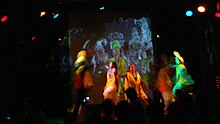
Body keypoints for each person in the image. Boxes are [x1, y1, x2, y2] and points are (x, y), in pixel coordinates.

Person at [70, 49, 94, 123]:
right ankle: (78, 117)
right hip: (82, 87)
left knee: (81, 102)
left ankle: (78, 116)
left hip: (81, 87)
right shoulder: (82, 68)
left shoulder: (79, 69)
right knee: (82, 102)